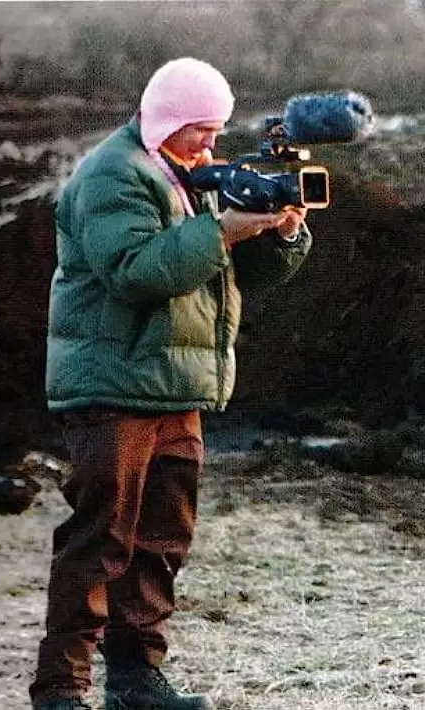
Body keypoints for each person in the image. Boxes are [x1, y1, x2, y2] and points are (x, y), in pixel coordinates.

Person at [30, 57, 314, 710]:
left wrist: (282, 233)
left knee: (161, 540)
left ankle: (136, 681)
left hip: (172, 387)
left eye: (215, 133)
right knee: (100, 540)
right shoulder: (112, 176)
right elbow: (135, 271)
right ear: (165, 120)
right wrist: (218, 230)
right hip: (112, 388)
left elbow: (230, 276)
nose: (210, 147)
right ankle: (61, 691)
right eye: (200, 132)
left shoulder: (187, 174)